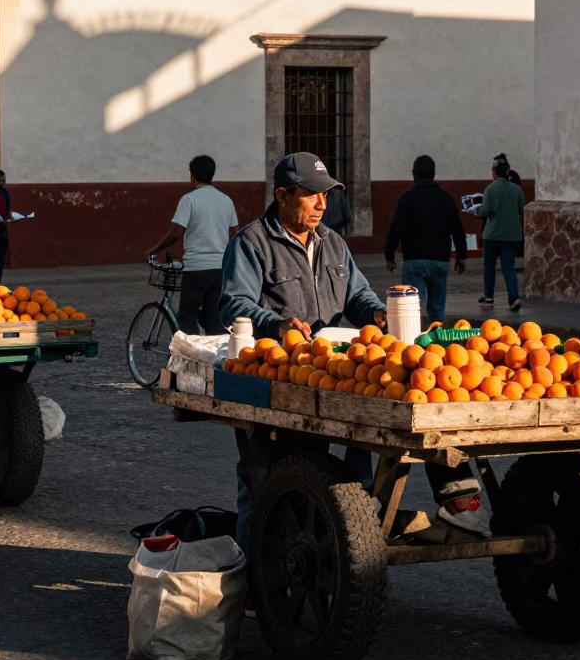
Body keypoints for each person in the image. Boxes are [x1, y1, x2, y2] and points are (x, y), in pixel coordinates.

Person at [219, 151, 484, 545]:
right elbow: (233, 302)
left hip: (329, 369)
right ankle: (256, 581)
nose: (322, 204)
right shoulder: (252, 243)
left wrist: (377, 314)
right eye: (311, 195)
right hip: (275, 374)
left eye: (326, 194)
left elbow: (357, 295)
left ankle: (357, 523)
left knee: (355, 446)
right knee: (264, 480)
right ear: (282, 195)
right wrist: (275, 323)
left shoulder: (333, 243)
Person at [149, 155, 238, 335]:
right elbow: (235, 234)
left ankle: (190, 359)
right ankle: (215, 360)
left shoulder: (189, 200)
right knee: (213, 319)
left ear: (192, 176)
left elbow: (176, 232)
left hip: (196, 269)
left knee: (187, 318)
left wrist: (155, 249)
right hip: (220, 269)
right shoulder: (226, 200)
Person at [383, 154, 467, 324]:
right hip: (440, 261)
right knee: (437, 309)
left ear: (414, 174)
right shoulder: (446, 198)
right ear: (433, 174)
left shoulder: (406, 199)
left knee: (413, 308)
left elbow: (395, 229)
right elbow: (457, 229)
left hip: (414, 261)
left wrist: (389, 255)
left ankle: (415, 345)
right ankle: (438, 345)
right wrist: (461, 256)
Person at [475, 159, 526, 312]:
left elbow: (485, 211)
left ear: (494, 173)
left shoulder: (490, 189)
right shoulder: (517, 189)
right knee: (508, 267)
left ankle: (489, 297)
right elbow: (522, 209)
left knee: (489, 267)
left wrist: (476, 211)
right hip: (512, 235)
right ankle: (513, 298)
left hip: (492, 235)